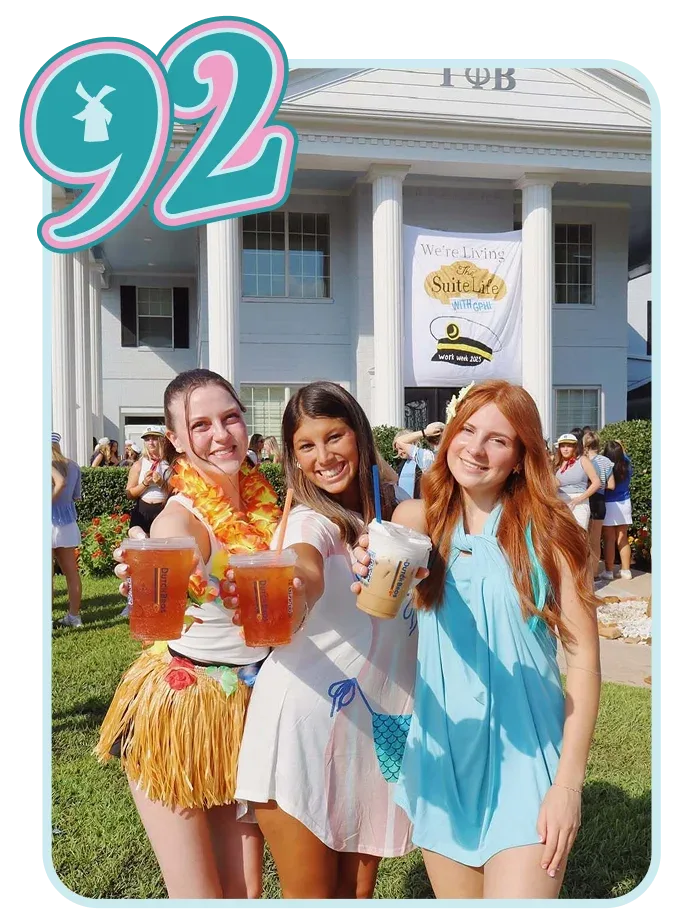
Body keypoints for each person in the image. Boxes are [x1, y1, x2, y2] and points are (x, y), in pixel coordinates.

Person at [351, 379, 601, 899]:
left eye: (499, 440)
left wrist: (568, 786)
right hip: (443, 755)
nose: (477, 448)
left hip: (527, 761)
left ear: (520, 456)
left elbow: (583, 663)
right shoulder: (417, 522)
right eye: (468, 430)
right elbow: (388, 617)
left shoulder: (550, 533)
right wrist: (369, 571)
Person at [95, 369, 283, 899]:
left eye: (229, 417)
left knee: (245, 891)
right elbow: (170, 551)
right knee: (199, 894)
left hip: (248, 709)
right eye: (200, 425)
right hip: (182, 712)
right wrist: (152, 575)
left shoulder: (266, 499)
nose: (221, 434)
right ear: (176, 440)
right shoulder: (180, 515)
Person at [229, 381, 419, 899]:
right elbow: (304, 567)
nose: (323, 456)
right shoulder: (311, 521)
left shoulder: (392, 510)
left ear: (357, 433)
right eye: (305, 446)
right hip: (305, 727)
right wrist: (291, 588)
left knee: (356, 897)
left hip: (379, 730)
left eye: (334, 436)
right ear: (292, 457)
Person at [52, 432, 83, 628]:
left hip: (49, 520)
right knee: (71, 572)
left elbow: (60, 486)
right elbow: (76, 497)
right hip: (68, 523)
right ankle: (74, 616)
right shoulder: (73, 465)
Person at [125, 427, 173, 536]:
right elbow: (129, 494)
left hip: (163, 509)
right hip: (143, 510)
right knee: (140, 538)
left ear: (162, 440)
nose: (150, 442)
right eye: (147, 439)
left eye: (154, 438)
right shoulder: (139, 464)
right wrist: (145, 484)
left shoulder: (170, 464)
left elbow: (176, 492)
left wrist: (161, 483)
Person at [582, 431, 616, 580]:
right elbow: (612, 485)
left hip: (586, 498)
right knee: (596, 539)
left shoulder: (583, 461)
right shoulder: (606, 461)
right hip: (601, 500)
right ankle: (594, 571)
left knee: (583, 538)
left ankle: (584, 571)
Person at [552, 433, 601, 531]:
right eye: (563, 446)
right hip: (560, 503)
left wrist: (579, 499)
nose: (565, 449)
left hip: (579, 502)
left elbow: (596, 483)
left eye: (569, 446)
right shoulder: (556, 463)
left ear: (575, 447)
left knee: (579, 534)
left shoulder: (582, 460)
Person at [600, 440, 633, 582]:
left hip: (608, 502)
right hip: (625, 502)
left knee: (609, 539)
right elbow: (623, 453)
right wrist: (620, 446)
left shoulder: (605, 465)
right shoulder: (627, 463)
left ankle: (609, 571)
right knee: (623, 538)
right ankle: (626, 570)